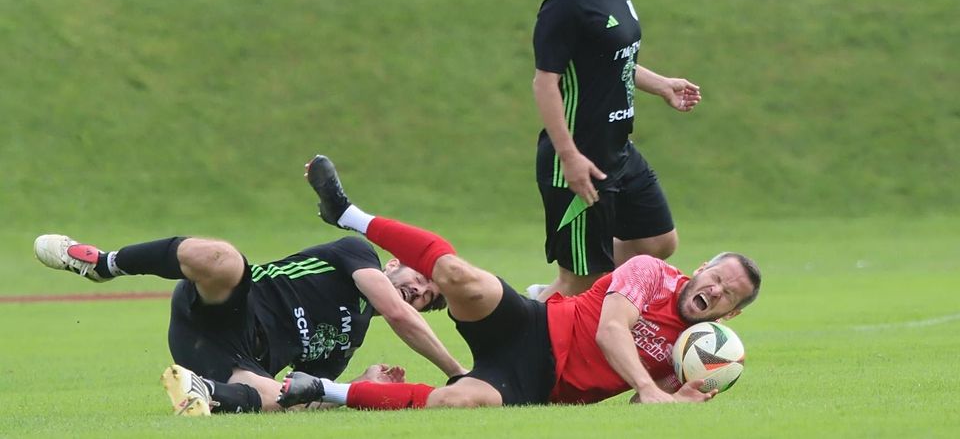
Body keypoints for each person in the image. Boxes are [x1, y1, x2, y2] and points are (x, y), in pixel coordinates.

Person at [276, 155, 761, 410]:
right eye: (717, 277)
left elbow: (640, 406)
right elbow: (611, 330)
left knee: (457, 402)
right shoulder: (651, 271)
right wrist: (650, 389)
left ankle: (321, 389)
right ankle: (348, 214)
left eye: (729, 294)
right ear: (702, 268)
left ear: (732, 313)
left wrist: (673, 399)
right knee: (460, 276)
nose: (715, 290)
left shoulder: (697, 350)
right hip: (532, 325)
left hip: (536, 384)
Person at [32, 185, 466, 416]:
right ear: (395, 263)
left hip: (226, 362)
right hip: (225, 307)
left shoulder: (347, 342)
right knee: (223, 258)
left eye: (428, 298)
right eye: (421, 279)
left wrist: (365, 382)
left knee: (283, 399)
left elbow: (310, 396)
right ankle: (106, 264)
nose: (419, 292)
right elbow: (395, 312)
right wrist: (459, 375)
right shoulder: (357, 253)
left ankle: (202, 392)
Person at [530, 0, 703, 301]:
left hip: (619, 152)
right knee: (581, 281)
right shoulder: (565, 3)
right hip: (580, 159)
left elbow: (613, 61)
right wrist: (570, 157)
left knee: (658, 241)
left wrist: (661, 84)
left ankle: (553, 297)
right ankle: (538, 311)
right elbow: (545, 83)